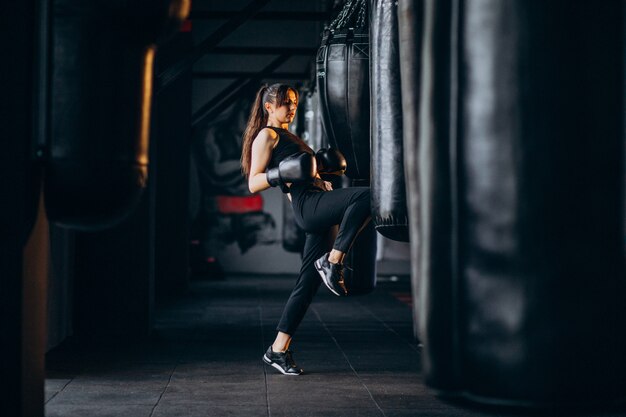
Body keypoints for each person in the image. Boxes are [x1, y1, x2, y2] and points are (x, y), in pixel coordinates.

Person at [240, 83, 371, 375]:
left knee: (307, 285)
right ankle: (334, 261)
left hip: (315, 201)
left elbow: (299, 174)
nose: (292, 107)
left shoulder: (291, 137)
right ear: (269, 107)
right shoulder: (267, 135)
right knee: (366, 195)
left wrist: (320, 177)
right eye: (286, 102)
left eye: (295, 102)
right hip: (308, 207)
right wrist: (282, 174)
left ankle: (277, 349)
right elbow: (253, 182)